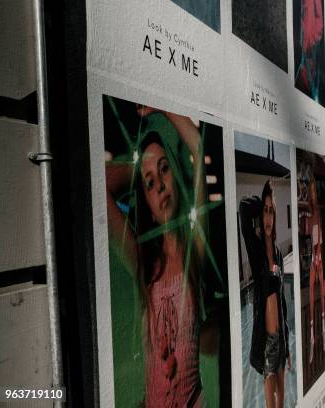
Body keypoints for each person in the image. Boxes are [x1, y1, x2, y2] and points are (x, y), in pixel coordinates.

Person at [106, 107, 220, 407]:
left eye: (164, 169)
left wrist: (162, 109)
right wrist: (141, 170)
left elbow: (196, 143)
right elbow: (100, 185)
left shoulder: (193, 250)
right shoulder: (143, 262)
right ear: (146, 203)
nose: (159, 185)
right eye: (150, 183)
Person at [239, 181, 291, 408]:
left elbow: (281, 301)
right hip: (266, 340)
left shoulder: (278, 253)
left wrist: (287, 346)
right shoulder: (256, 248)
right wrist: (261, 202)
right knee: (271, 403)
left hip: (280, 338)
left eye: (271, 211)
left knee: (283, 401)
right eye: (265, 211)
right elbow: (243, 208)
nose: (268, 217)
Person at [307, 176, 325, 362]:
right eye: (310, 191)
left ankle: (323, 329)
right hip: (313, 255)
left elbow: (319, 234)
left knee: (320, 293)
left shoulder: (318, 212)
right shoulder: (309, 213)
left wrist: (318, 254)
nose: (312, 195)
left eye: (314, 192)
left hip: (318, 254)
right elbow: (308, 235)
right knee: (312, 295)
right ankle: (313, 334)